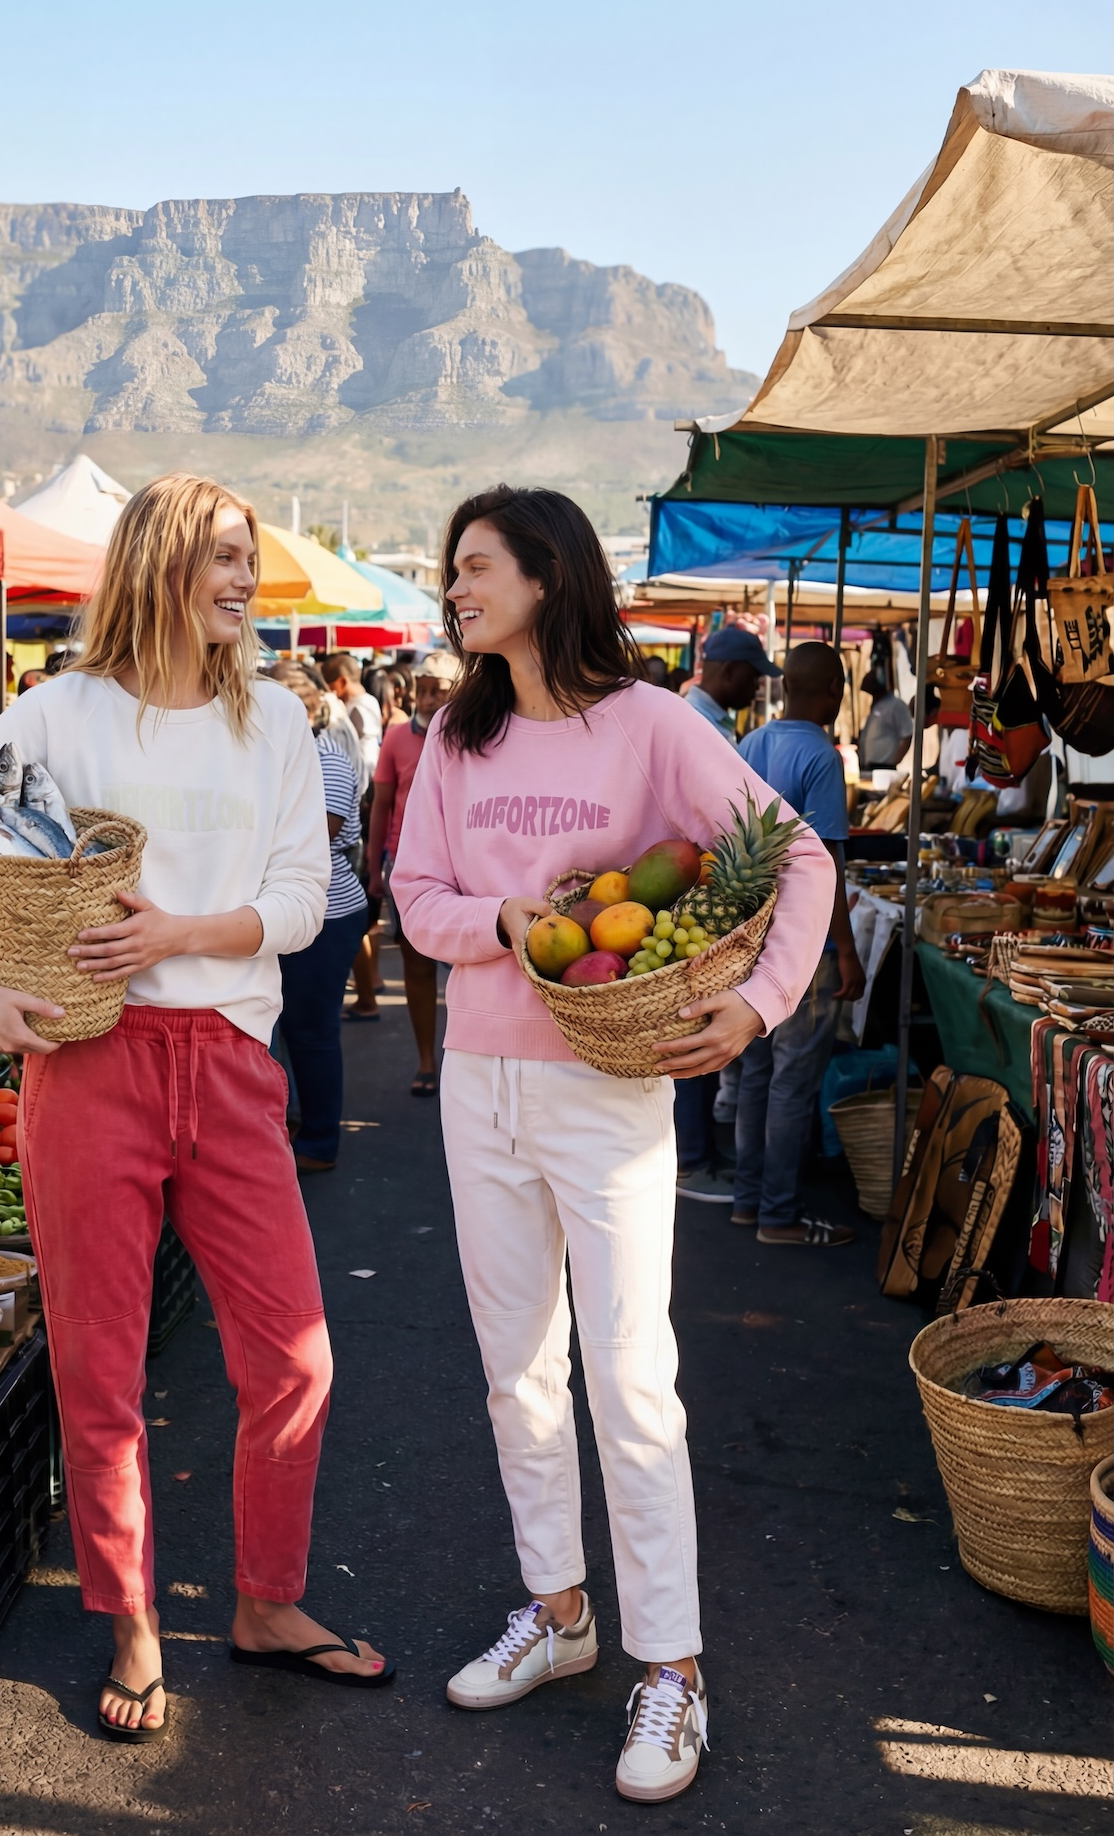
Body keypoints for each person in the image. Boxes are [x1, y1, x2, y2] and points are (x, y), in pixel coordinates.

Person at [0, 472, 392, 1745]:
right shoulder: (61, 713)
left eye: (246, 560)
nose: (241, 579)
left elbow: (300, 898)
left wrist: (178, 928)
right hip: (84, 1055)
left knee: (294, 1355)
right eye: (222, 556)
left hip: (225, 1055)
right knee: (100, 1361)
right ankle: (130, 1617)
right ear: (162, 562)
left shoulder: (275, 721)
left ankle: (268, 1599)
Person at [393, 485, 834, 1803]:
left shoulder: (646, 724)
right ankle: (558, 1605)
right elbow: (414, 900)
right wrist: (506, 923)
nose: (454, 587)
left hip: (605, 1090)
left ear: (548, 575)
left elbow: (798, 855)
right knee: (516, 1371)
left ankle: (674, 1667)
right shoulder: (452, 737)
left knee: (632, 1376)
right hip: (482, 1083)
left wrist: (755, 1004)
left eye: (475, 566)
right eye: (449, 568)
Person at [733, 642, 866, 1247]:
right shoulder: (823, 755)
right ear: (835, 694)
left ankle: (748, 1200)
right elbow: (826, 862)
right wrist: (847, 948)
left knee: (756, 1070)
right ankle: (779, 1215)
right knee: (791, 1078)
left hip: (749, 933)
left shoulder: (752, 743)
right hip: (800, 939)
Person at [672, 622, 782, 1204]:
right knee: (690, 1023)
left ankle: (694, 1152)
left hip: (697, 893)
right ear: (732, 674)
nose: (755, 692)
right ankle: (692, 1158)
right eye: (753, 680)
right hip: (688, 896)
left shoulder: (711, 722)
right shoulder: (697, 726)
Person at [271, 663, 369, 1172]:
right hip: (289, 911)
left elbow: (317, 840)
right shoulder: (277, 756)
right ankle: (292, 1126)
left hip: (327, 913)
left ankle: (319, 1140)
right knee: (281, 1026)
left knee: (310, 1029)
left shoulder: (325, 758)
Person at [367, 651, 460, 1095]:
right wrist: (372, 868)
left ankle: (464, 1060)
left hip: (464, 869)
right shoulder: (396, 737)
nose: (427, 699)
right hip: (406, 865)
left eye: (438, 691)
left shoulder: (471, 733)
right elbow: (381, 805)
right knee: (417, 966)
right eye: (422, 690)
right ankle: (427, 1060)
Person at [683, 624, 778, 745]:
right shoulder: (697, 723)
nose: (757, 687)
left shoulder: (710, 718)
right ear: (729, 671)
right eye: (753, 677)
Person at [320, 652, 380, 791]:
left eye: (328, 685)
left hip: (360, 784)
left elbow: (367, 753)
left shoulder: (359, 708)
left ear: (342, 682)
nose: (327, 691)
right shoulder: (367, 701)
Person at [857, 672, 914, 772]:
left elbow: (907, 735)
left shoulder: (896, 705)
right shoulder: (876, 707)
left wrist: (894, 761)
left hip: (884, 768)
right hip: (868, 767)